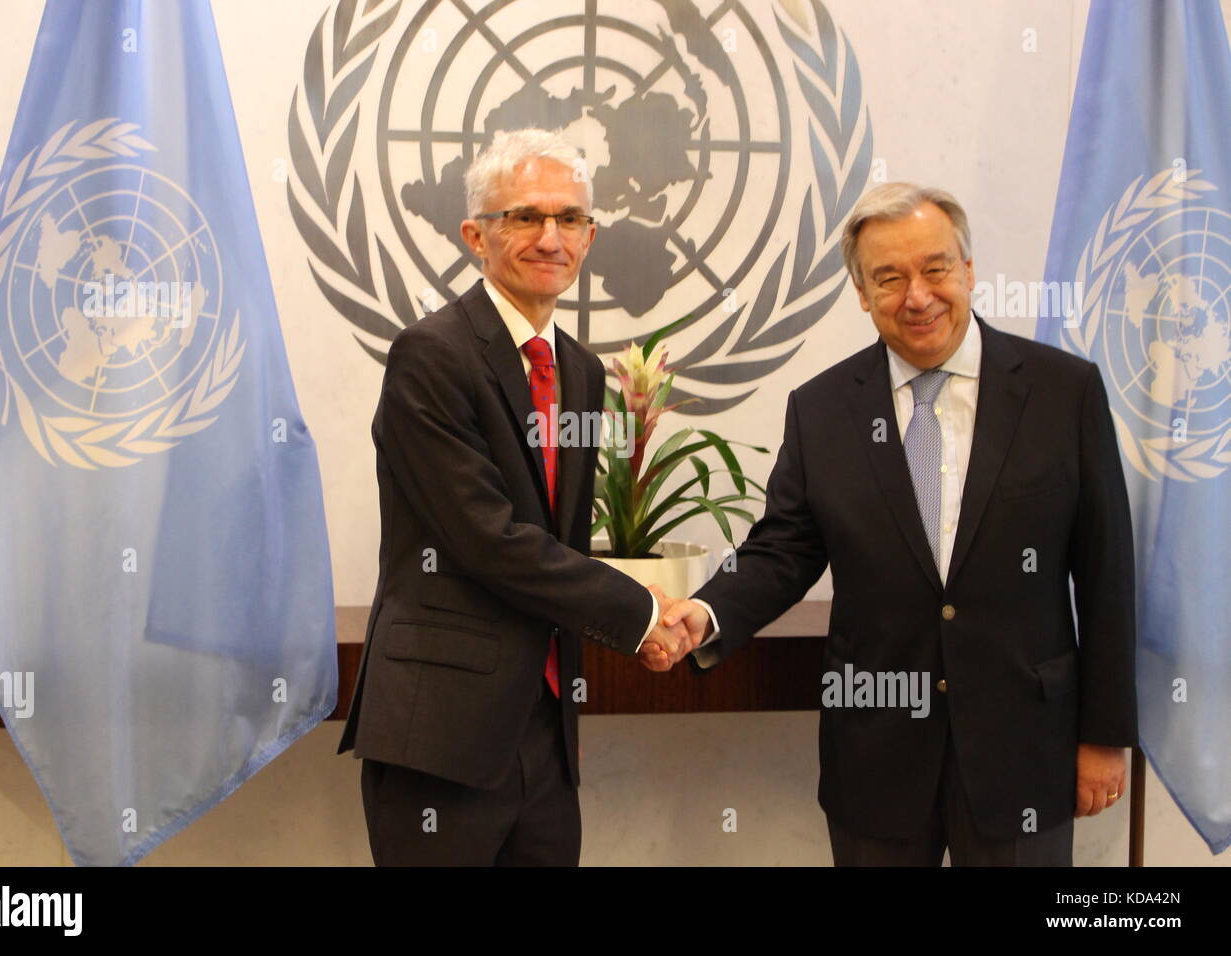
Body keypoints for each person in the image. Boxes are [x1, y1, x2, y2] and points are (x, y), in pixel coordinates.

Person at [658, 182, 1137, 866]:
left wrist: (1106, 735)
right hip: (876, 757)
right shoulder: (822, 410)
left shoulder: (1065, 392)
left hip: (1025, 751)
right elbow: (784, 551)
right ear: (861, 292)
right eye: (889, 277)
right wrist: (707, 613)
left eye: (936, 268)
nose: (918, 296)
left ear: (969, 270)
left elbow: (1107, 574)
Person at [337, 127, 691, 866]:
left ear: (591, 237)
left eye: (570, 219)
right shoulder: (431, 355)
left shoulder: (582, 372)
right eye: (524, 217)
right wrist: (640, 611)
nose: (550, 237)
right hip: (442, 730)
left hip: (548, 733)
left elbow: (554, 546)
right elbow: (488, 540)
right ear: (475, 235)